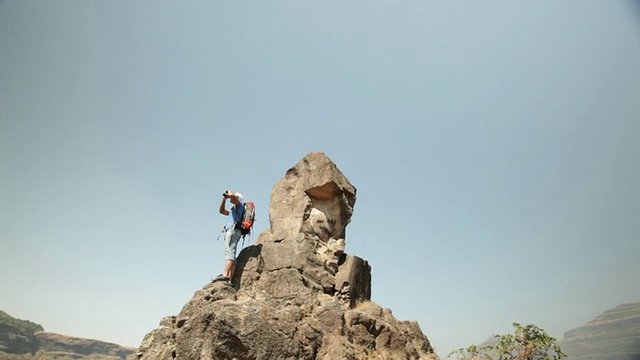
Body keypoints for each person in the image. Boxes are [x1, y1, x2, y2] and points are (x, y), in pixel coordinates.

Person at [212, 190, 244, 285]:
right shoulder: (233, 211)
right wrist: (224, 199)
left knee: (229, 252)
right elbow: (221, 211)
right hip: (234, 231)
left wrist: (231, 194)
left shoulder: (239, 206)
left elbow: (234, 198)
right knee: (232, 254)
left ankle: (225, 275)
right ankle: (229, 279)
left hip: (233, 231)